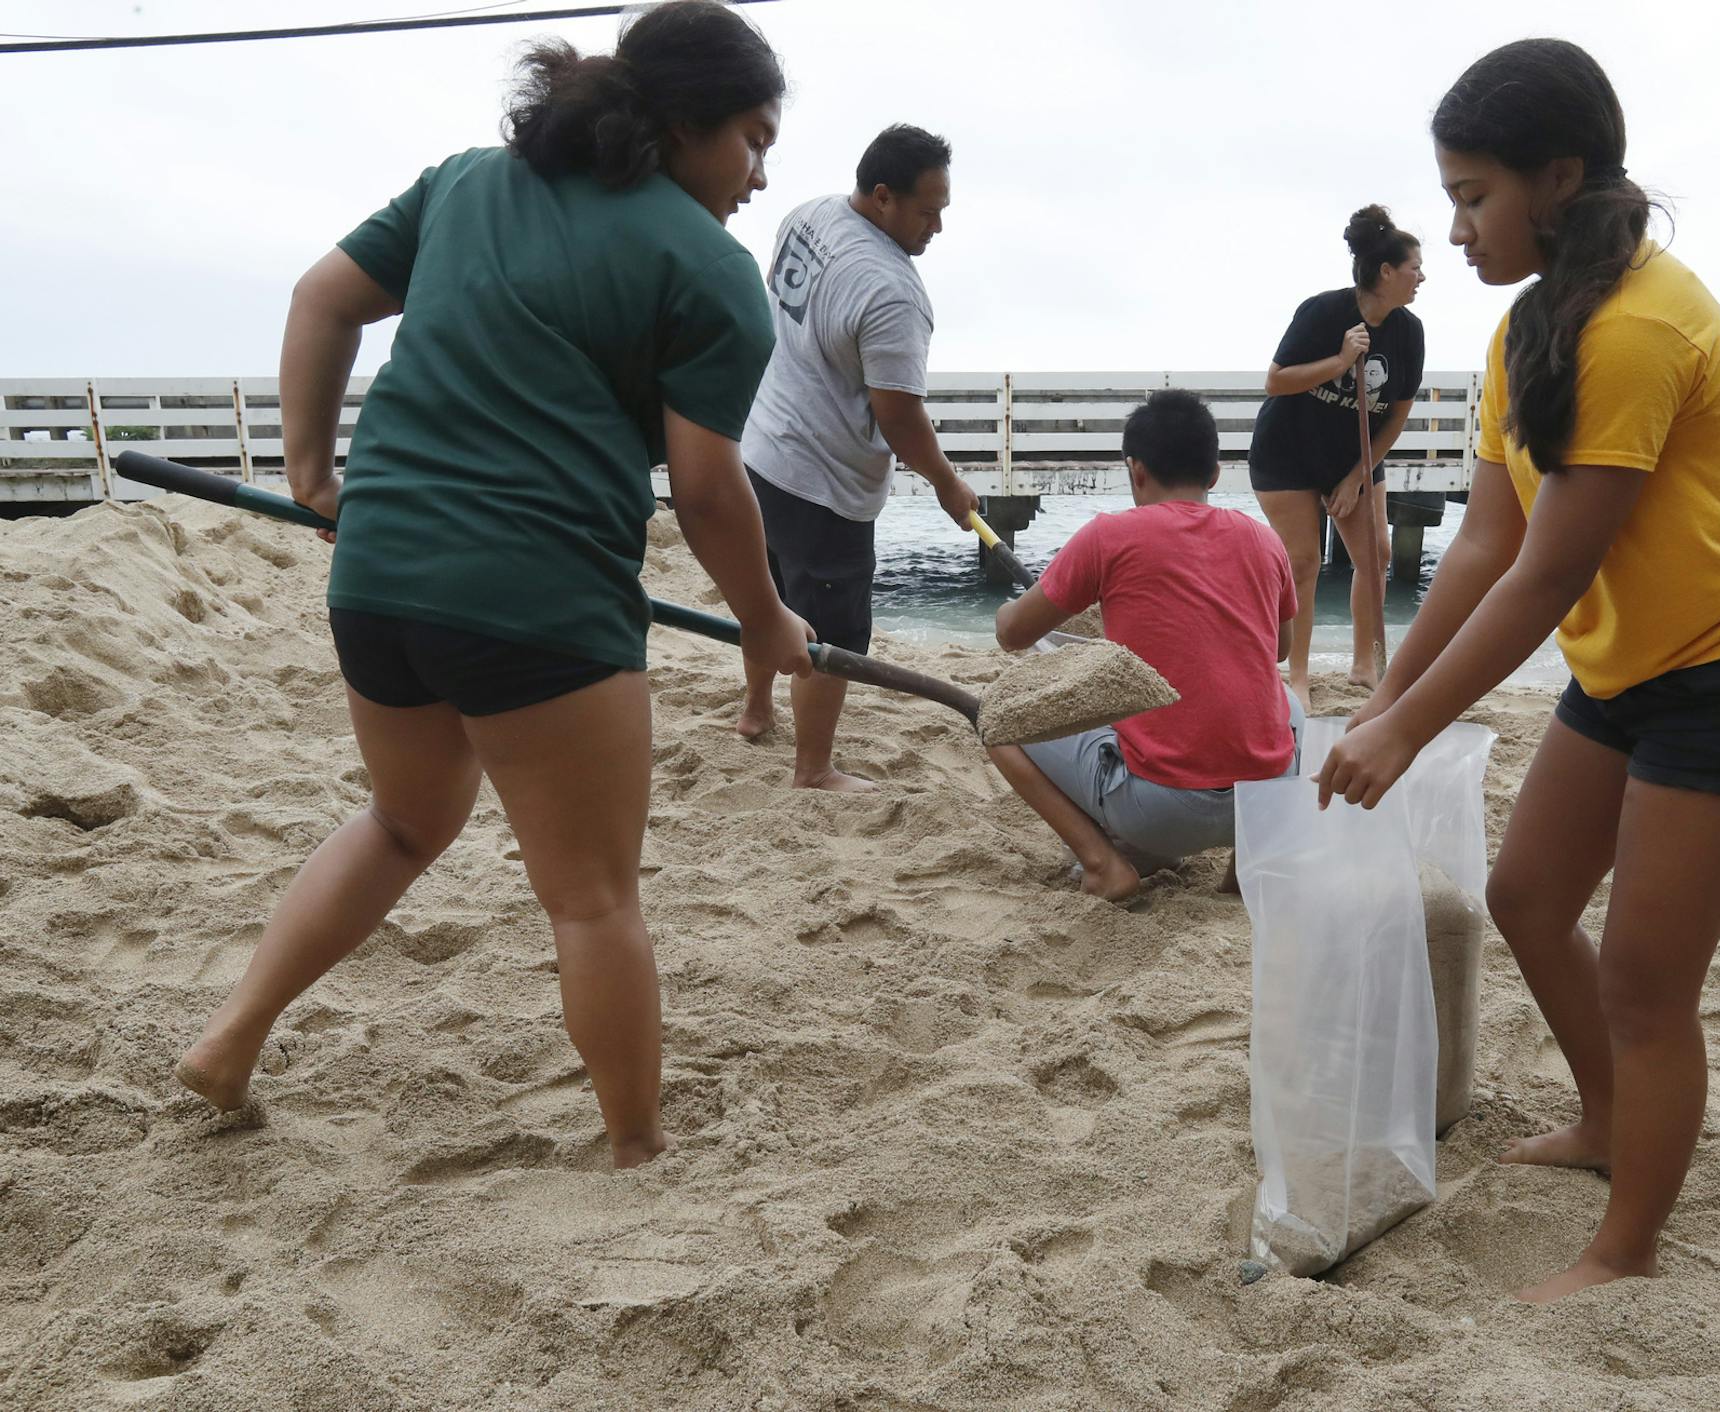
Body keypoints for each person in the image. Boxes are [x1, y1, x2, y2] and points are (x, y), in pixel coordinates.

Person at [174, 0, 814, 1170]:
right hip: (539, 599)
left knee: (402, 820)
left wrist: (315, 474)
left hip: (377, 577)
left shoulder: (468, 182)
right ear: (681, 125)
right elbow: (708, 486)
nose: (761, 174)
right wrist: (767, 623)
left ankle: (228, 1041)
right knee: (592, 897)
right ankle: (635, 1147)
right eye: (753, 139)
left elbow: (323, 298)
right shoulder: (711, 272)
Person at [1313, 39, 1720, 1300]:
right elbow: (1486, 540)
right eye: (1449, 197)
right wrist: (1385, 702)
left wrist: (1408, 729)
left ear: (1559, 177)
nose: (1456, 225)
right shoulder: (1526, 329)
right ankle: (1608, 1121)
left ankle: (1627, 1250)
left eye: (1475, 196)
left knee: (1652, 986)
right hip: (1628, 674)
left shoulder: (1649, 321)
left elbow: (1546, 575)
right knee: (1528, 899)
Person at [733, 124, 980, 790]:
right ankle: (812, 769)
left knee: (771, 594)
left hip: (759, 447)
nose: (936, 228)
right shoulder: (892, 291)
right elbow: (898, 415)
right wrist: (948, 484)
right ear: (881, 197)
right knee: (832, 631)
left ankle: (756, 709)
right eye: (927, 212)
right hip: (824, 483)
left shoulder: (808, 216)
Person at [989, 390, 1302, 902]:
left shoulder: (1109, 537)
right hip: (1260, 803)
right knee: (1287, 702)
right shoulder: (1264, 540)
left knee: (998, 717)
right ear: (1216, 473)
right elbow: (1278, 650)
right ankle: (1245, 867)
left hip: (1159, 812)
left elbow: (1014, 635)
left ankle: (1102, 865)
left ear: (1136, 470)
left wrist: (1007, 610)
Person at [1249, 206, 1427, 708]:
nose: (1422, 277)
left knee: (1377, 555)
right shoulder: (1323, 312)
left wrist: (1356, 478)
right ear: (1386, 272)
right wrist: (1342, 362)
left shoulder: (1408, 332)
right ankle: (1298, 678)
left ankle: (1365, 665)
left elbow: (1396, 415)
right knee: (1303, 563)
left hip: (1355, 455)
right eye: (1415, 267)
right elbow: (1276, 381)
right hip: (1288, 452)